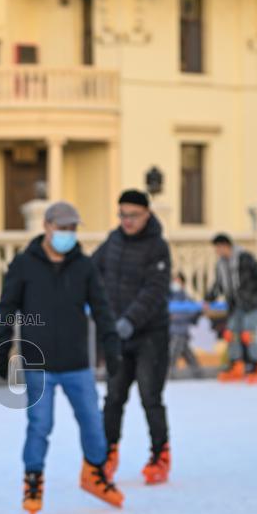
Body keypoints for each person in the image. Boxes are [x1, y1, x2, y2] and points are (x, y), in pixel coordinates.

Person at [0, 201, 123, 514]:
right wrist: (3, 346)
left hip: (76, 361)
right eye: (62, 227)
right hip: (37, 362)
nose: (68, 233)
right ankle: (33, 480)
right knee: (40, 424)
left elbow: (102, 309)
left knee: (92, 421)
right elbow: (8, 307)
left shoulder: (84, 266)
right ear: (47, 226)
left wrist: (111, 346)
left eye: (72, 228)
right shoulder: (24, 264)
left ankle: (95, 472)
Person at [93, 190, 172, 485]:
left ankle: (160, 454)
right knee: (113, 396)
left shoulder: (158, 247)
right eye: (122, 215)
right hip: (117, 335)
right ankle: (107, 452)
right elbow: (90, 271)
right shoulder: (112, 241)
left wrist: (130, 320)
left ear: (146, 214)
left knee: (150, 396)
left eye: (133, 215)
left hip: (150, 335)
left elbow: (155, 290)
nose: (127, 221)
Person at [205, 233, 257, 384]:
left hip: (251, 303)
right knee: (231, 334)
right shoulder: (221, 265)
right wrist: (208, 298)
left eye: (218, 248)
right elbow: (219, 285)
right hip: (235, 305)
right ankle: (237, 366)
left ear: (226, 246)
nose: (217, 251)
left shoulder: (244, 258)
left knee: (248, 334)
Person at [168, 272, 203, 378]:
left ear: (183, 283)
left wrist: (200, 310)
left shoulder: (186, 298)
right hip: (170, 332)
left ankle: (168, 374)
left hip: (180, 332)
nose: (175, 284)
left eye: (177, 281)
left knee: (172, 354)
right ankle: (198, 373)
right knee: (187, 353)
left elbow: (193, 315)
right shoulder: (169, 297)